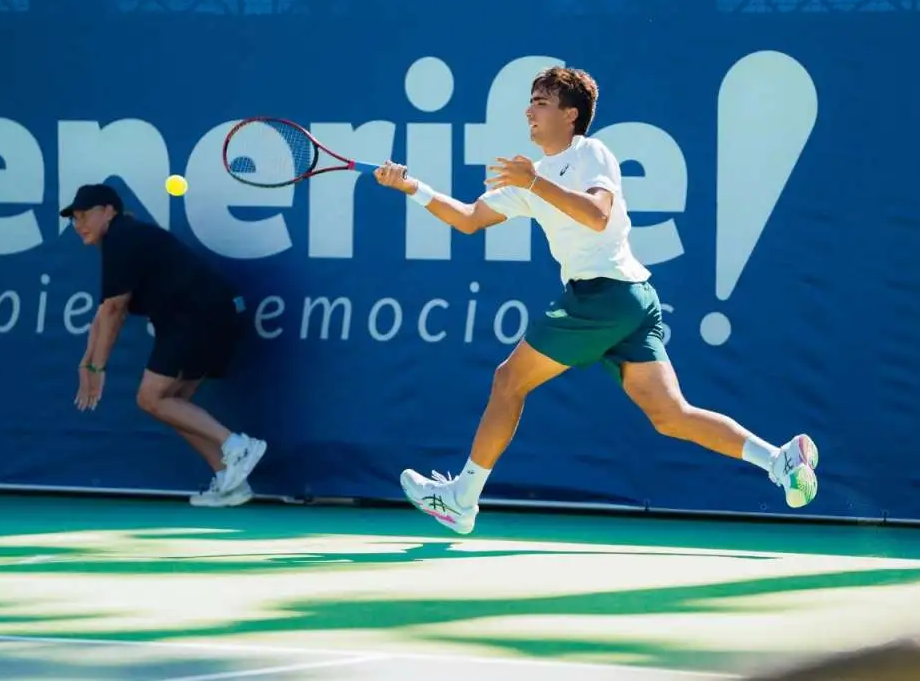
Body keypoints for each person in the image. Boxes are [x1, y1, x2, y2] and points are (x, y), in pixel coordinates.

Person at [373, 66, 819, 535]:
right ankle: (780, 460)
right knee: (670, 415)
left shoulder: (591, 153)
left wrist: (533, 184)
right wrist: (411, 187)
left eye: (541, 102)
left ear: (570, 115)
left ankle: (462, 499)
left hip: (604, 294)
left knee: (509, 380)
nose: (529, 109)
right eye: (530, 100)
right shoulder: (533, 176)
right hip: (627, 301)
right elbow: (468, 218)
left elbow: (596, 215)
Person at [61, 183, 267, 508]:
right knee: (174, 403)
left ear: (108, 211)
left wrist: (99, 367)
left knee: (150, 398)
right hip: (211, 313)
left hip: (199, 315)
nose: (78, 224)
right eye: (74, 218)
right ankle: (230, 480)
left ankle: (236, 445)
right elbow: (104, 312)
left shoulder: (122, 238)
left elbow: (115, 311)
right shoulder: (120, 240)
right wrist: (86, 361)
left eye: (84, 215)